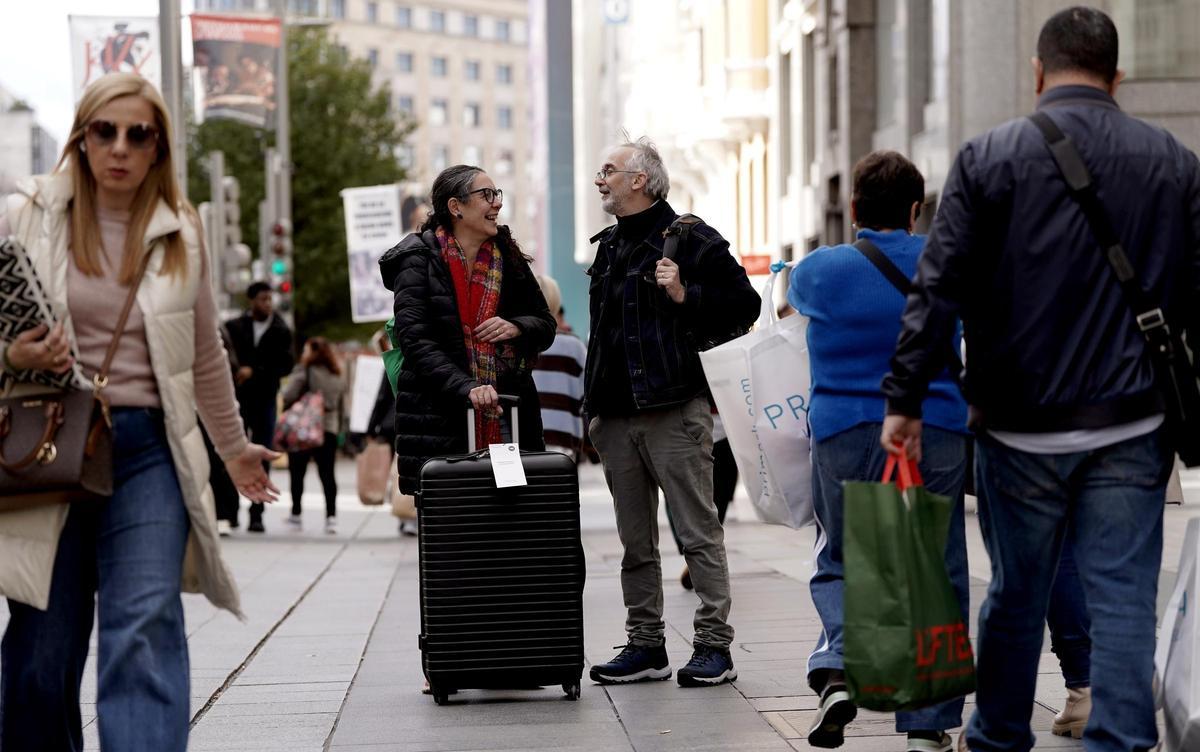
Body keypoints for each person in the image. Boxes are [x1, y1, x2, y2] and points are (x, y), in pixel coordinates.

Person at [879, 8, 1200, 751]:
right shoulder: (1173, 161)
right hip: (1132, 420)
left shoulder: (989, 157)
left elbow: (939, 286)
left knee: (1017, 593)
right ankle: (1120, 738)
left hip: (1018, 423)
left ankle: (997, 736)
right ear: (1118, 77)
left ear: (1037, 71)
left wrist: (905, 399)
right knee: (1122, 596)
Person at [0, 72, 278, 751]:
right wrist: (15, 357)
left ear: (158, 148)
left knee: (145, 626)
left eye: (138, 134)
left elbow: (205, 352)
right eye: (105, 131)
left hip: (148, 452)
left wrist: (235, 447)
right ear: (82, 138)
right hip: (48, 442)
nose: (119, 147)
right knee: (42, 646)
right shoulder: (25, 214)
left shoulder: (181, 232)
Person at [787, 151, 970, 752]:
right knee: (934, 570)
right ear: (917, 209)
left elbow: (789, 303)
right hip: (933, 425)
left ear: (855, 209)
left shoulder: (818, 270)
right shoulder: (942, 263)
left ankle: (839, 668)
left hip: (841, 429)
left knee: (842, 555)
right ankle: (926, 726)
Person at [584, 137, 759, 688]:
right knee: (635, 542)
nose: (599, 179)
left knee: (696, 532)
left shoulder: (690, 237)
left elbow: (746, 306)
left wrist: (685, 294)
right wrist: (594, 412)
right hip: (615, 416)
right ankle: (646, 644)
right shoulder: (608, 246)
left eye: (608, 170)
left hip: (672, 409)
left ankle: (713, 646)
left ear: (639, 179)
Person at [378, 164, 556, 496]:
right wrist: (467, 387)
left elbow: (546, 325)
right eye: (486, 195)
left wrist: (517, 327)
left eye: (496, 194)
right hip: (438, 417)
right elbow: (416, 341)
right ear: (455, 206)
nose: (496, 203)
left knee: (511, 514)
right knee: (454, 523)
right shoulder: (417, 260)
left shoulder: (509, 258)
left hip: (506, 412)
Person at [225, 280, 294, 532]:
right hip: (237, 398)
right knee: (231, 450)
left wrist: (254, 371)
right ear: (251, 301)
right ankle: (229, 510)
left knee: (262, 453)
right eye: (263, 299)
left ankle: (257, 513)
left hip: (265, 399)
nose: (267, 304)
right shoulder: (233, 327)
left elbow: (286, 365)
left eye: (270, 299)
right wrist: (237, 372)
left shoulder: (280, 329)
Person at [281, 336, 347, 534]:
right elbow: (342, 407)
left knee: (297, 472)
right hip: (329, 429)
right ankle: (331, 517)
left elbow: (288, 394)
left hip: (305, 429)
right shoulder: (337, 374)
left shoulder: (305, 370)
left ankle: (296, 514)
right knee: (328, 475)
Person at [531, 274, 588, 459]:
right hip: (564, 442)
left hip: (522, 439)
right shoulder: (574, 347)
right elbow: (586, 396)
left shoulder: (516, 344)